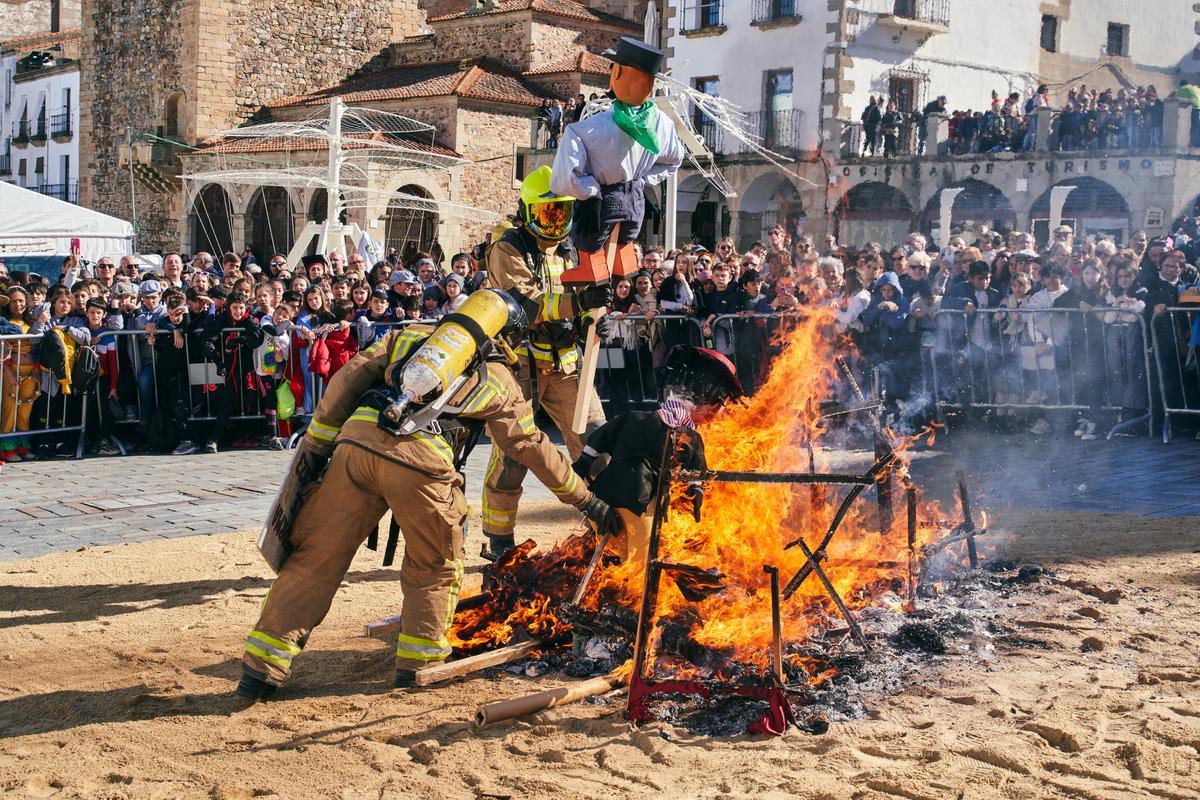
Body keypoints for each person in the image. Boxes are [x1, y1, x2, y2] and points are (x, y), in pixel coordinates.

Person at [236, 290, 621, 699]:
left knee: (314, 559)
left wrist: (316, 447)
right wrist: (586, 500)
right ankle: (417, 668)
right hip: (422, 468)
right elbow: (530, 446)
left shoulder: (408, 336)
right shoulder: (499, 380)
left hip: (355, 449)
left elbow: (346, 379)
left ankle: (261, 671)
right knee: (434, 567)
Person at [481, 167, 611, 557]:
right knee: (513, 457)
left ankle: (601, 528)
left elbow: (586, 299)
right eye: (547, 214)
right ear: (528, 211)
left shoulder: (572, 250)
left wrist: (592, 316)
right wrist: (579, 303)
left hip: (567, 365)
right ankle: (500, 543)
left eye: (562, 214)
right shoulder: (507, 248)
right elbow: (529, 305)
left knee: (598, 445)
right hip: (520, 368)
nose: (556, 224)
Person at [571, 345, 743, 576]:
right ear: (711, 404)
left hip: (601, 498)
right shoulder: (688, 436)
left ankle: (608, 585)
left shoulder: (634, 417)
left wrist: (583, 463)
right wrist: (696, 496)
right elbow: (697, 476)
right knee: (643, 559)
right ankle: (634, 601)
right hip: (639, 502)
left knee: (613, 551)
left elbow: (598, 439)